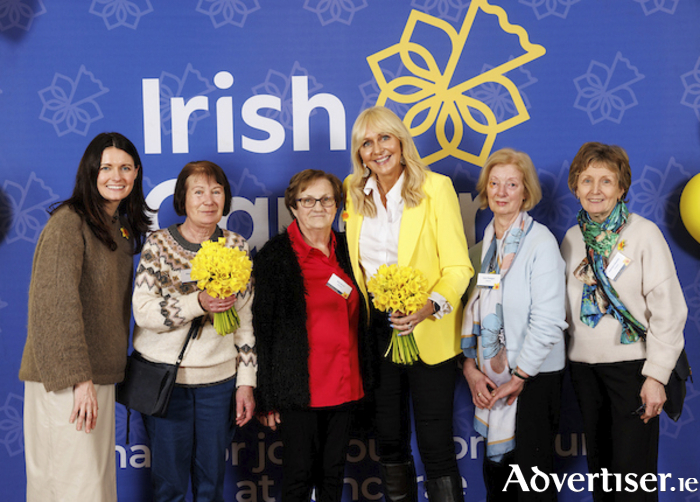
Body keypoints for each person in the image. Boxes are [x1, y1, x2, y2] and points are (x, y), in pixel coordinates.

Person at [344, 106, 473, 502]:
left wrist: (429, 306)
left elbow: (457, 267)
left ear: (400, 141)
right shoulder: (352, 190)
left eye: (385, 138)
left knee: (434, 441)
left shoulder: (436, 187)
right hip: (377, 330)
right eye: (367, 143)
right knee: (388, 439)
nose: (378, 149)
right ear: (359, 153)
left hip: (428, 326)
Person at [19, 132, 151, 501]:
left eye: (125, 168)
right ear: (90, 171)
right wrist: (79, 380)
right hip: (66, 380)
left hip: (98, 378)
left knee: (91, 486)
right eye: (106, 167)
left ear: (137, 173)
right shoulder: (68, 223)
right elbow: (54, 306)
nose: (116, 176)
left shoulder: (119, 226)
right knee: (73, 488)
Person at [560, 142, 686, 501]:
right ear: (575, 186)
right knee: (602, 478)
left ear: (621, 188)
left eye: (605, 181)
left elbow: (669, 310)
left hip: (634, 372)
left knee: (633, 481)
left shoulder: (643, 234)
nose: (595, 190)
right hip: (585, 371)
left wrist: (656, 376)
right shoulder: (570, 240)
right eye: (586, 180)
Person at [131, 161, 256, 502]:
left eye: (216, 191)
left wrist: (246, 382)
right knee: (169, 486)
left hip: (219, 386)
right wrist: (197, 302)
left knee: (211, 484)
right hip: (168, 385)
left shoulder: (236, 246)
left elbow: (244, 323)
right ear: (182, 199)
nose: (208, 200)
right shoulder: (158, 246)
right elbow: (142, 312)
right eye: (198, 192)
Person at [253, 169, 375, 502]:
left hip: (346, 385)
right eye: (308, 200)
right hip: (299, 391)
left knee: (333, 477)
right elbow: (261, 331)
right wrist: (267, 396)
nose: (317, 206)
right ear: (293, 206)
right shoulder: (275, 258)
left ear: (338, 206)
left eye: (326, 199)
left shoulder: (351, 251)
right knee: (298, 477)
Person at [460, 148, 566, 501]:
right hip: (492, 381)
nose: (501, 192)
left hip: (533, 379)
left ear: (526, 192)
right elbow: (471, 315)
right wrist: (472, 369)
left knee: (532, 487)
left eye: (511, 184)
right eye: (494, 183)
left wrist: (519, 377)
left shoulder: (541, 242)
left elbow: (549, 320)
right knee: (499, 481)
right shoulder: (485, 245)